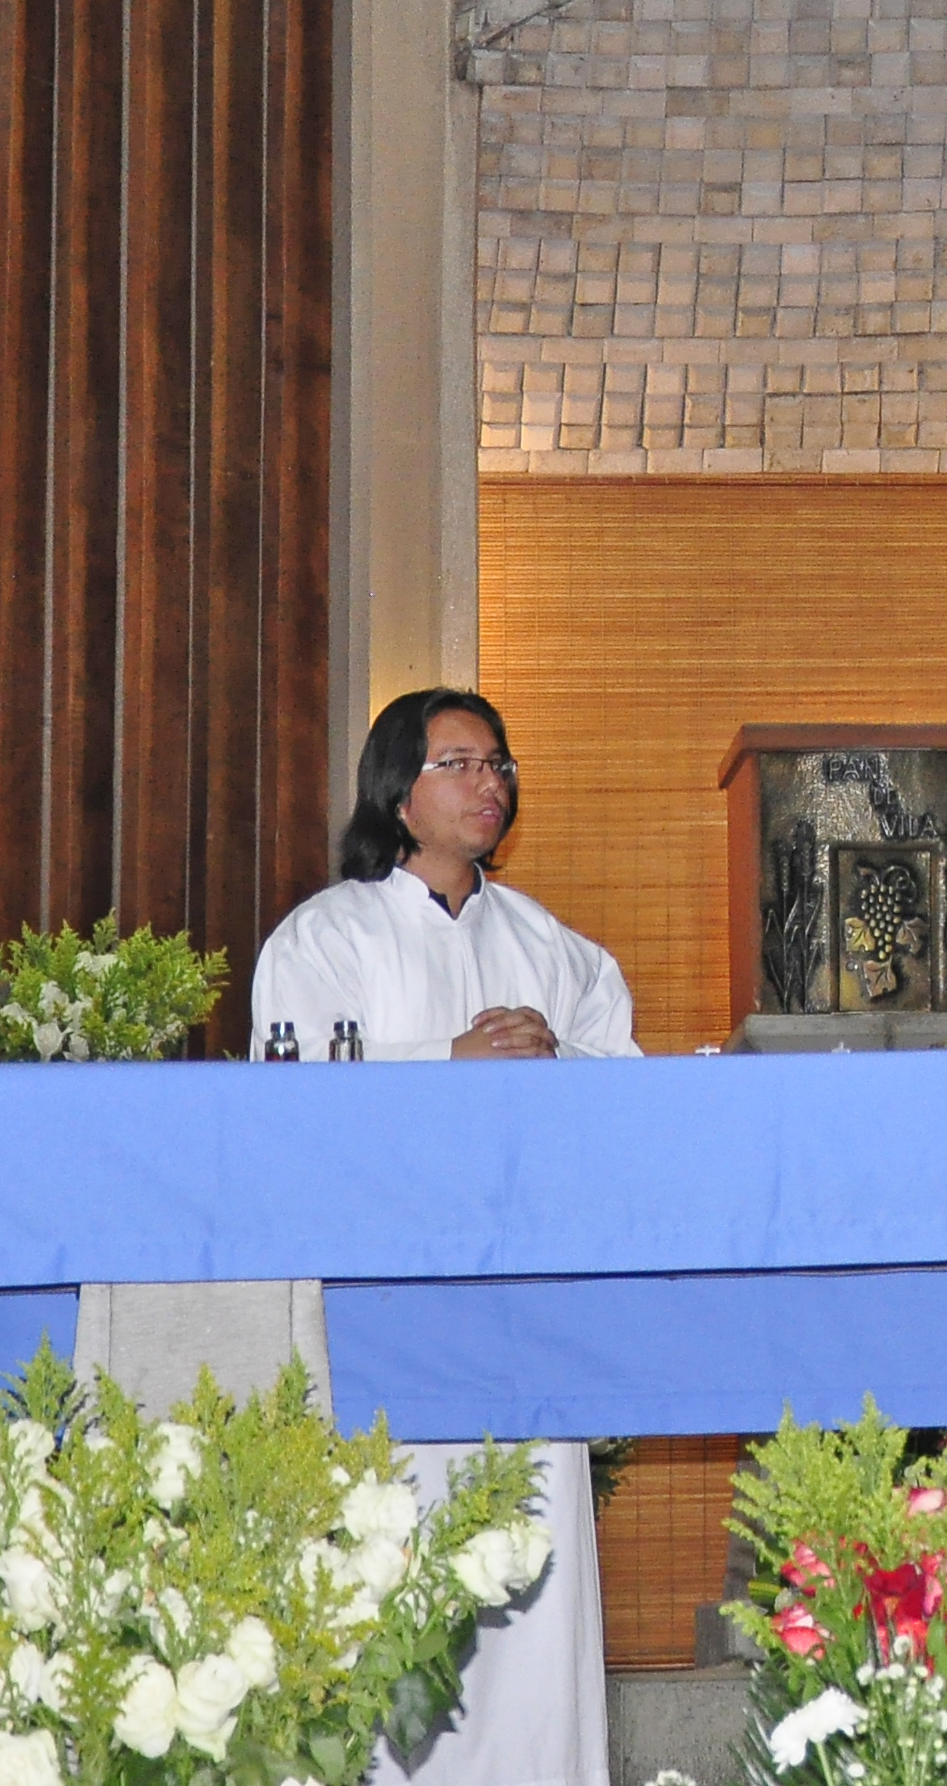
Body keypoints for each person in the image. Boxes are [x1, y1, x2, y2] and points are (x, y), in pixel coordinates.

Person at [251, 691, 625, 1786]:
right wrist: (444, 1062)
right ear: (397, 795)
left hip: (524, 1305)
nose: (490, 782)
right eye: (460, 761)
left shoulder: (550, 944)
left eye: (499, 761)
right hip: (381, 1311)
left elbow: (629, 1091)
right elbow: (288, 1110)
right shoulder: (326, 936)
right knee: (386, 1566)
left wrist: (561, 1064)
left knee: (531, 1578)